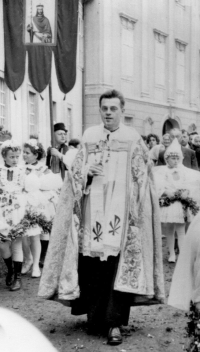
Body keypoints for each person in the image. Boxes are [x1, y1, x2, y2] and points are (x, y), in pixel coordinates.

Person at [38, 89, 165, 345]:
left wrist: (135, 204)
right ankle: (95, 317)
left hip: (121, 217)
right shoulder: (89, 136)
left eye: (113, 108)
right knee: (93, 266)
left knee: (114, 268)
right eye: (104, 108)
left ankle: (114, 323)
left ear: (122, 110)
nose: (108, 112)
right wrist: (86, 171)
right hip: (92, 213)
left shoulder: (133, 139)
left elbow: (143, 178)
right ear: (100, 109)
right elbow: (74, 174)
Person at [154, 139, 200, 263]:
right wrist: (166, 192)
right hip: (169, 203)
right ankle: (172, 253)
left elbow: (190, 183)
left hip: (180, 203)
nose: (175, 161)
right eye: (172, 158)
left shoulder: (183, 172)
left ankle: (183, 255)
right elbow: (158, 185)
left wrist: (185, 193)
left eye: (177, 158)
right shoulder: (163, 171)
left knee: (181, 230)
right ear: (167, 159)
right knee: (169, 229)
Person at [21, 138, 62, 276]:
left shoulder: (43, 169)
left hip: (37, 204)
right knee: (23, 236)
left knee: (35, 235)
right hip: (22, 204)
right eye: (24, 152)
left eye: (27, 152)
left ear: (36, 155)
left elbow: (52, 186)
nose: (24, 155)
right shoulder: (21, 168)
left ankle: (36, 266)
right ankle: (28, 259)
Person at [0, 140, 26, 291]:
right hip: (2, 209)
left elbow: (25, 188)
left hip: (17, 208)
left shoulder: (22, 171)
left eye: (17, 156)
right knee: (3, 244)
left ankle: (17, 277)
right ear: (4, 156)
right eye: (11, 157)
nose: (15, 159)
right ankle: (10, 270)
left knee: (17, 243)